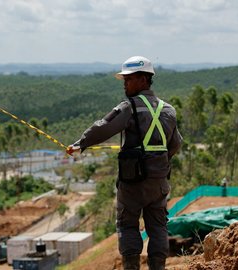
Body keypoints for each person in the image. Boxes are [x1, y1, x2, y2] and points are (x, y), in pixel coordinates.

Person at [66, 56, 182, 270]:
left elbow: (103, 127)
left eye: (129, 79)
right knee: (158, 227)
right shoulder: (168, 110)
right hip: (158, 182)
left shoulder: (129, 107)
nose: (125, 83)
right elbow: (175, 145)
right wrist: (157, 164)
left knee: (128, 225)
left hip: (133, 181)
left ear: (143, 79)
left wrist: (80, 144)